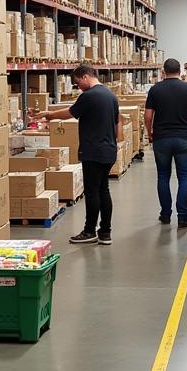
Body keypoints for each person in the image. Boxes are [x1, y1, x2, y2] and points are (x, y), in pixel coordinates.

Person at [40, 63, 121, 246]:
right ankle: (105, 232)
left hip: (93, 151)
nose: (78, 87)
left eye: (78, 83)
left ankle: (89, 231)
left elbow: (70, 113)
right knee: (103, 190)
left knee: (92, 192)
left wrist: (48, 115)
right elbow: (117, 123)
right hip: (108, 150)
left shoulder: (90, 96)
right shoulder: (110, 96)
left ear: (85, 76)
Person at [145, 58, 187, 228]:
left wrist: (150, 134)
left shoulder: (155, 89)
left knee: (163, 176)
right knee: (184, 177)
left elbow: (148, 116)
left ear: (164, 71)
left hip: (161, 138)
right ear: (180, 71)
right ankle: (183, 217)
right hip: (184, 138)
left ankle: (165, 214)